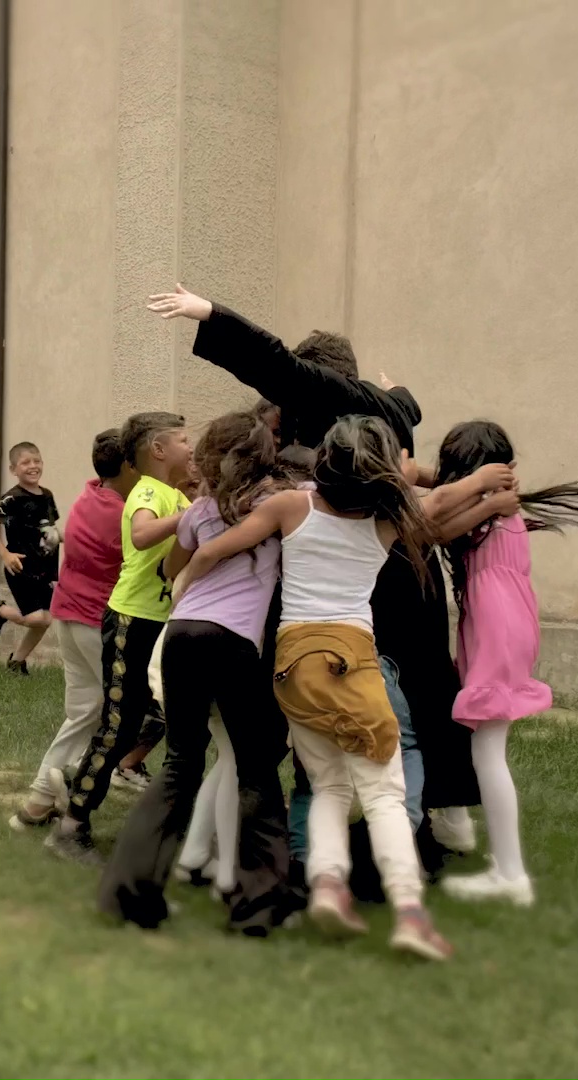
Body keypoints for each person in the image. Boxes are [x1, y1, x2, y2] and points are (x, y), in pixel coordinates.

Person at [147, 284, 478, 868]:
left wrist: (210, 315)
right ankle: (415, 833)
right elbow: (410, 403)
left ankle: (350, 847)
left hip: (365, 593)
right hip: (390, 569)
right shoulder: (389, 407)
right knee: (406, 711)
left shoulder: (335, 413)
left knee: (365, 728)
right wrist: (400, 389)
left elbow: (275, 362)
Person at [182, 416, 503, 962]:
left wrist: (185, 583)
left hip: (292, 666)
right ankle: (409, 914)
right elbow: (439, 509)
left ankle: (328, 884)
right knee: (384, 794)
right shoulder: (386, 523)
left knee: (328, 786)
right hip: (350, 663)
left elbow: (216, 549)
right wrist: (487, 489)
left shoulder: (290, 508)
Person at [96, 410, 297, 933]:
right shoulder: (274, 507)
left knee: (181, 764)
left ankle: (130, 891)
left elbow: (170, 569)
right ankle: (258, 905)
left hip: (182, 635)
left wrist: (198, 531)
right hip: (231, 642)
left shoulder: (199, 508)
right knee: (256, 770)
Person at [435, 420, 578, 908]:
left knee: (489, 752)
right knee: (482, 744)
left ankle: (509, 872)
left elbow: (430, 527)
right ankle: (473, 838)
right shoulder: (498, 510)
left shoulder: (487, 513)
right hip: (509, 623)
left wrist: (484, 498)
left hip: (495, 628)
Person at [45, 411, 192, 866]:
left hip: (159, 620)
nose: (192, 447)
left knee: (147, 719)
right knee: (117, 725)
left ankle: (80, 775)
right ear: (158, 450)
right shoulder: (149, 491)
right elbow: (144, 533)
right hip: (131, 619)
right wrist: (188, 518)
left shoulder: (175, 494)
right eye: (184, 440)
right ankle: (70, 828)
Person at [10, 430, 134, 829]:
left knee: (83, 713)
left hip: (69, 612)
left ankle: (37, 803)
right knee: (130, 713)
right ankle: (72, 781)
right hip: (93, 620)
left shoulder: (89, 494)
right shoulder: (121, 512)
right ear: (129, 465)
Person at [0, 442, 60, 674]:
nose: (32, 466)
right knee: (37, 618)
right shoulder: (12, 498)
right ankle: (0, 610)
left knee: (46, 620)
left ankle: (17, 661)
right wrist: (4, 555)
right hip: (20, 566)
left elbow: (50, 532)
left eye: (37, 461)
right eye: (26, 462)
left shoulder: (47, 495)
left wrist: (56, 571)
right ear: (13, 469)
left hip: (44, 568)